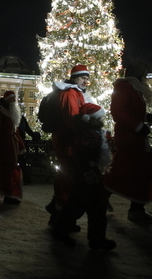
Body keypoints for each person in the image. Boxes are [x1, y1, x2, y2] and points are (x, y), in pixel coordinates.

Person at [103, 61, 152, 224]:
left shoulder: (135, 88)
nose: (146, 77)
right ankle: (133, 209)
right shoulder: (125, 87)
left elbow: (131, 110)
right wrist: (139, 125)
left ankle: (135, 207)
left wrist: (147, 118)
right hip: (129, 137)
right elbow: (118, 111)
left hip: (134, 136)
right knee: (127, 169)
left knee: (137, 169)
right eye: (144, 73)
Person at [46, 64, 91, 243]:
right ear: (74, 78)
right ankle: (60, 221)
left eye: (87, 78)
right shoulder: (69, 93)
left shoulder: (76, 92)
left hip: (71, 142)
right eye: (82, 78)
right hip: (68, 142)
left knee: (69, 179)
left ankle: (59, 216)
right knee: (69, 179)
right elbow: (73, 119)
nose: (86, 81)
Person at [64, 102, 116, 250]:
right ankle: (96, 238)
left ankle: (60, 229)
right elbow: (81, 153)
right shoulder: (89, 133)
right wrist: (88, 171)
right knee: (96, 206)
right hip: (86, 174)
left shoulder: (91, 131)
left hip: (84, 173)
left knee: (76, 204)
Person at [0, 91, 26, 205]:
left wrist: (20, 145)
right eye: (13, 99)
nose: (15, 101)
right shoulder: (0, 112)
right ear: (7, 100)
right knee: (6, 171)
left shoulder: (11, 112)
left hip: (11, 146)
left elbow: (14, 131)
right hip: (3, 147)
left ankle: (8, 194)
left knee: (9, 170)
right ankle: (8, 196)